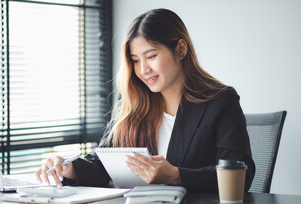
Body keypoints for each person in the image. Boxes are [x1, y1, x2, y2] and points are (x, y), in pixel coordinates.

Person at [36, 8, 255, 193]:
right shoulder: (135, 103)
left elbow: (241, 176)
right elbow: (103, 163)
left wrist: (177, 176)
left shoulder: (220, 101)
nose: (143, 70)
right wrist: (68, 167)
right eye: (135, 61)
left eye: (151, 57)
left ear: (180, 49)